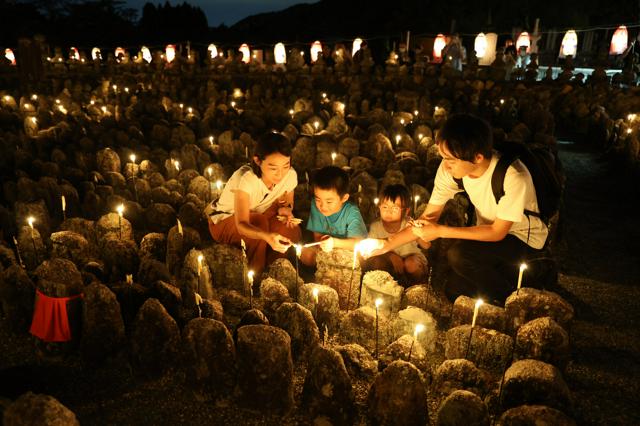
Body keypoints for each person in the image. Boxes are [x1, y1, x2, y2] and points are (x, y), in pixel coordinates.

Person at [370, 114, 548, 303]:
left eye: (451, 160)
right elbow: (428, 218)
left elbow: (498, 232)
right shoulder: (451, 169)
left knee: (459, 254)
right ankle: (506, 282)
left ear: (477, 157)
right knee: (455, 291)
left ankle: (514, 301)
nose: (445, 165)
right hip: (486, 237)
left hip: (522, 240)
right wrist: (387, 244)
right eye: (443, 157)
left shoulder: (513, 176)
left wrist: (440, 231)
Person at [206, 132, 301, 278]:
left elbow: (287, 201)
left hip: (260, 213)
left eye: (286, 165)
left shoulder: (290, 175)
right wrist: (267, 236)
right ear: (257, 160)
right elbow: (242, 224)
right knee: (259, 223)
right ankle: (254, 276)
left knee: (288, 228)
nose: (280, 174)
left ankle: (275, 272)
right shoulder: (246, 179)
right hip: (226, 220)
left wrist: (286, 209)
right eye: (273, 168)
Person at [300, 166, 368, 268]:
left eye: (329, 201)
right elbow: (317, 237)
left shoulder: (351, 212)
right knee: (306, 254)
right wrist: (324, 244)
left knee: (358, 260)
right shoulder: (316, 206)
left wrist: (334, 243)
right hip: (325, 250)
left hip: (348, 252)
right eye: (318, 199)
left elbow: (358, 243)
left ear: (344, 198)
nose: (322, 206)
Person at [364, 184, 428, 285]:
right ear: (379, 207)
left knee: (411, 264)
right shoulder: (375, 227)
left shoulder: (409, 224)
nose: (388, 211)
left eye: (395, 208)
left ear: (406, 211)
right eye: (385, 207)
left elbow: (426, 245)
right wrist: (390, 255)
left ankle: (416, 289)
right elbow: (370, 251)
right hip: (389, 261)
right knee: (377, 262)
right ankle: (384, 287)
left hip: (412, 259)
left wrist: (417, 232)